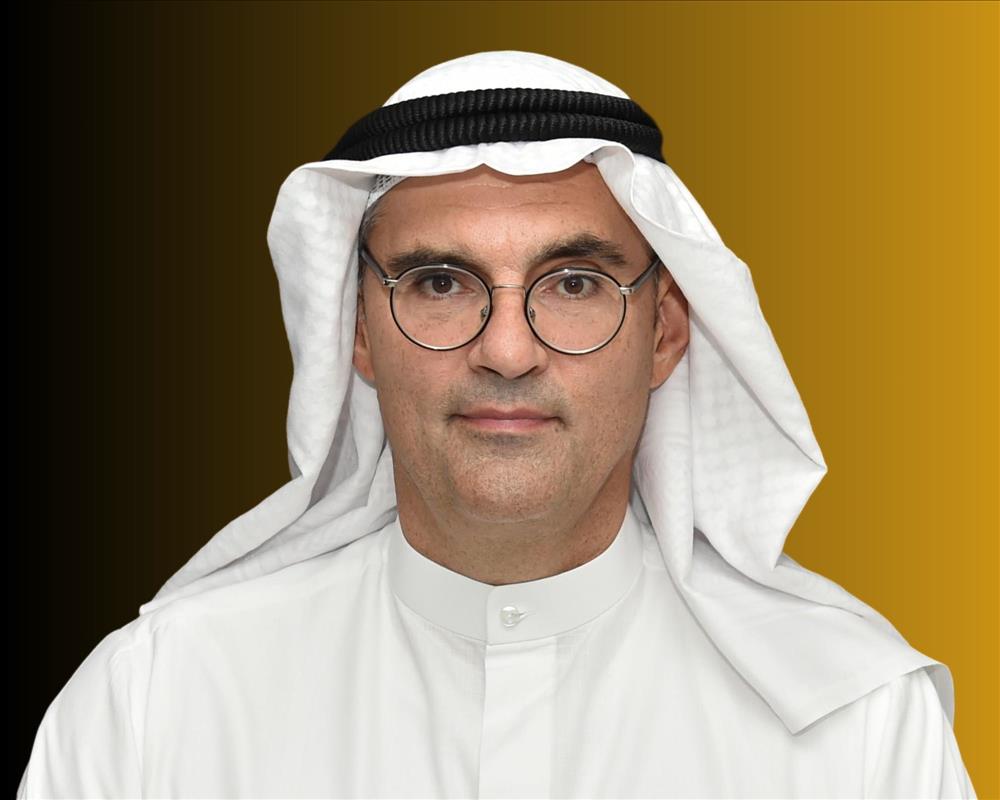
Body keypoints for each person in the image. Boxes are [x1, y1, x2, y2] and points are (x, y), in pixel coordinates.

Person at [18, 50, 976, 798]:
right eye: (440, 283)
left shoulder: (859, 732)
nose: (508, 351)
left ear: (665, 334)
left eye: (574, 284)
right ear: (358, 332)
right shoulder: (154, 710)